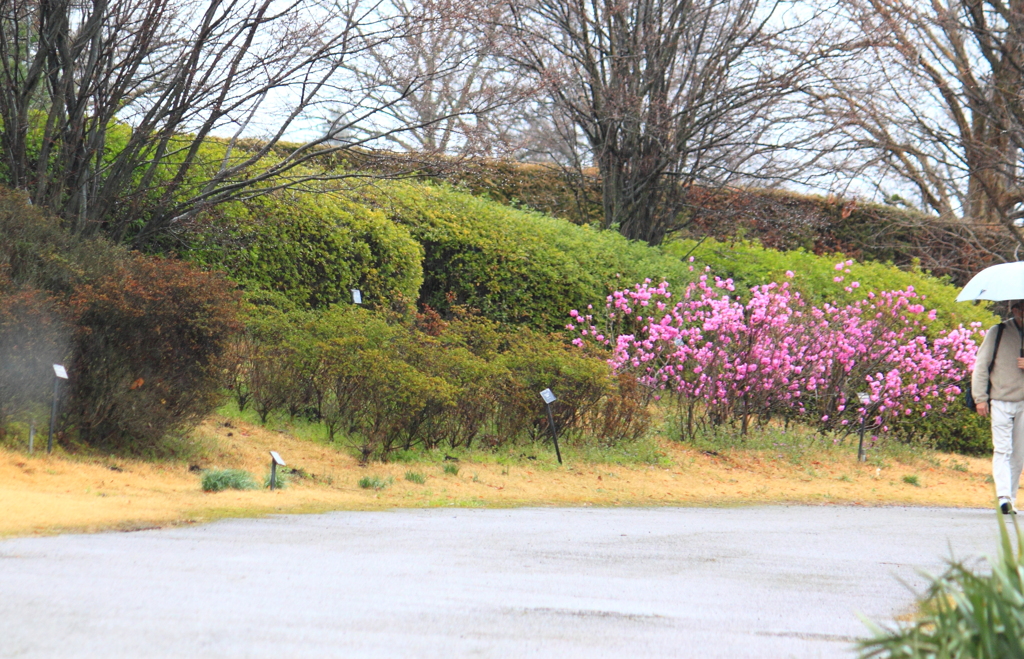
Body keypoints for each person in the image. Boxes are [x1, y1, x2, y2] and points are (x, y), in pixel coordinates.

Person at [973, 300, 1024, 514]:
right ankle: (1003, 497)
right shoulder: (999, 331)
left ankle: (1010, 497)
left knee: (1019, 453)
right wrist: (980, 398)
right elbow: (981, 365)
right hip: (1000, 399)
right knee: (1002, 449)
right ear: (1015, 311)